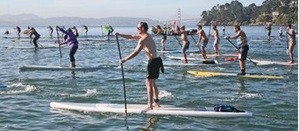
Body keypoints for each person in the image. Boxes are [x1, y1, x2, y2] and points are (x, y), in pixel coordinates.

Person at [115, 22, 164, 110]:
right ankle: (157, 103)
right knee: (152, 83)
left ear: (142, 28)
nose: (136, 29)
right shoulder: (145, 36)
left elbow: (136, 52)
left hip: (153, 62)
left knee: (148, 83)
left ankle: (150, 105)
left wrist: (125, 59)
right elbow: (131, 36)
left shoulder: (143, 39)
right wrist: (119, 34)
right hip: (156, 61)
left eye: (138, 28)